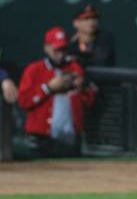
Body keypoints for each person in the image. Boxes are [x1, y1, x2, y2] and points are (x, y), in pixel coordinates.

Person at [18, 27, 96, 158]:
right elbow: (24, 102)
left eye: (63, 49)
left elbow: (88, 102)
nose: (60, 54)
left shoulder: (75, 68)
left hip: (70, 139)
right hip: (41, 139)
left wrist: (83, 87)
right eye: (56, 50)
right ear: (47, 48)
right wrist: (48, 88)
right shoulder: (35, 70)